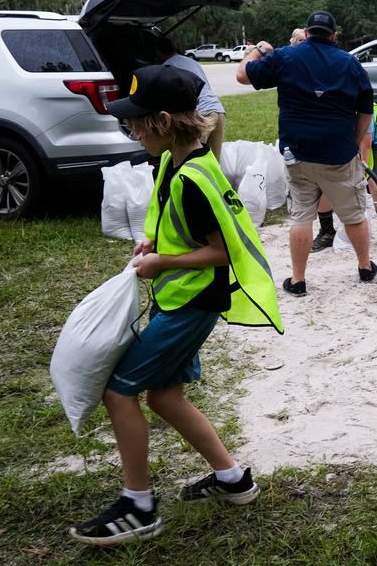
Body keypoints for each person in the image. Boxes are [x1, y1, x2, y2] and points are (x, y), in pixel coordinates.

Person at [69, 64, 282, 546]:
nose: (130, 130)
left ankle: (138, 505)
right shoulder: (173, 163)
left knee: (118, 392)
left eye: (135, 123)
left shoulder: (195, 178)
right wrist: (151, 240)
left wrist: (164, 263)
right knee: (164, 397)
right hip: (178, 300)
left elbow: (221, 252)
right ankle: (234, 480)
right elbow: (169, 219)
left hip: (192, 304)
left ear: (162, 121)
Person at [237, 10, 377, 294]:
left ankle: (298, 280)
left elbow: (242, 75)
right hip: (338, 154)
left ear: (307, 31)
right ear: (334, 35)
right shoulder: (350, 63)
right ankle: (365, 267)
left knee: (301, 216)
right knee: (353, 214)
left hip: (297, 154)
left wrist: (257, 49)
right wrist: (352, 140)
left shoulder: (287, 56)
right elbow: (365, 111)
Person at [311, 116, 377, 252]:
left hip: (370, 145)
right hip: (341, 144)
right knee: (325, 184)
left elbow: (366, 143)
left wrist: (361, 172)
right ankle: (327, 232)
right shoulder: (328, 105)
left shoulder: (361, 103)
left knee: (376, 184)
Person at [152, 36, 227, 158]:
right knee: (214, 162)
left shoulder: (168, 67)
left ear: (158, 52)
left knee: (194, 159)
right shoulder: (190, 61)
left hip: (202, 114)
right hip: (218, 110)